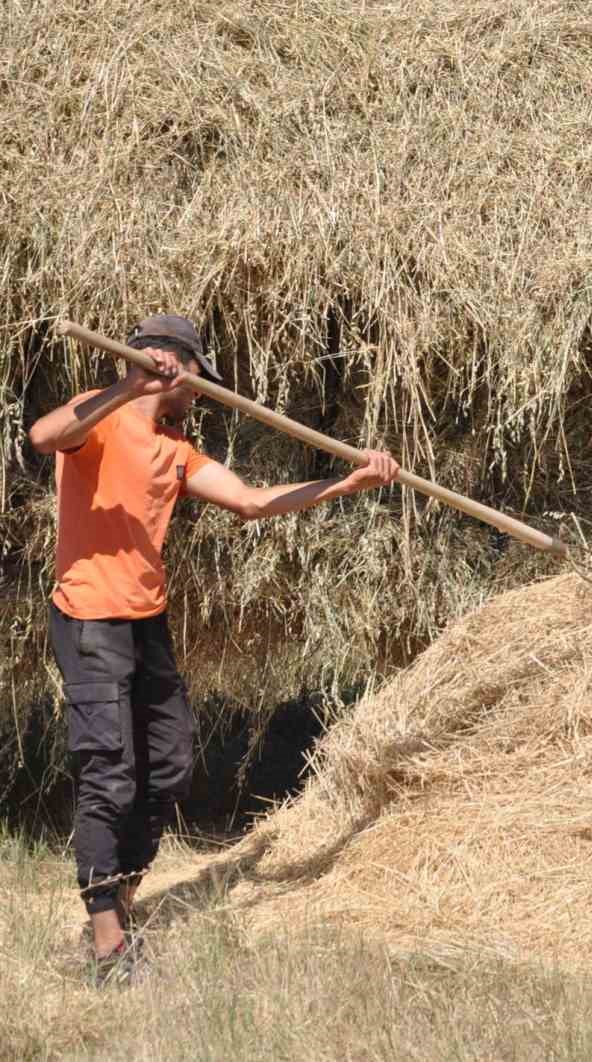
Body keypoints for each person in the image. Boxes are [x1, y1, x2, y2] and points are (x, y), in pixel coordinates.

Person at [28, 314, 400, 983]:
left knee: (168, 762)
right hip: (89, 617)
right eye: (197, 377)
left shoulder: (176, 450)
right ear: (169, 364)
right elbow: (44, 435)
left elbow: (252, 503)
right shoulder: (101, 423)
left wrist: (344, 486)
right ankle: (109, 943)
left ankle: (120, 901)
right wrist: (127, 385)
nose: (199, 392)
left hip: (145, 621)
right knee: (109, 771)